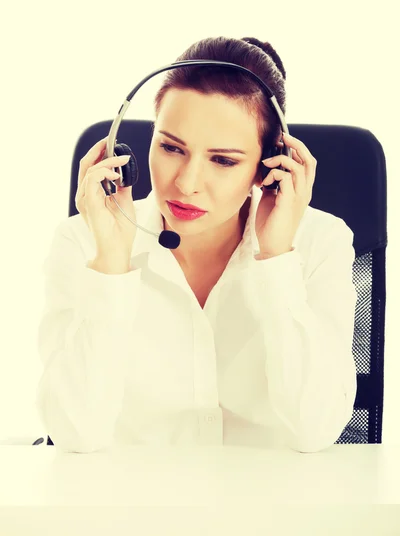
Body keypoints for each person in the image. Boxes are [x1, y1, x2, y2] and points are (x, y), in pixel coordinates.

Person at [35, 36, 358, 453]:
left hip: (270, 507)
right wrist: (112, 266)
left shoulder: (319, 242)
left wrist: (277, 258)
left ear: (270, 164)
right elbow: (74, 434)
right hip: (129, 507)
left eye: (223, 160)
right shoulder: (83, 243)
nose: (185, 184)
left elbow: (315, 430)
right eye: (170, 147)